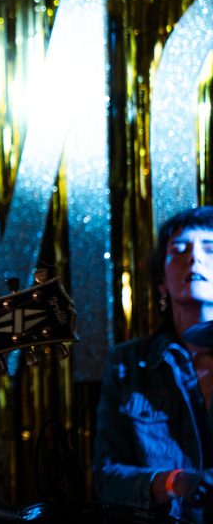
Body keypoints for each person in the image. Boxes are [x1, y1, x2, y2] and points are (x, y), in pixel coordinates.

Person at [94, 206, 213, 523]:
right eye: (180, 249)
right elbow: (106, 480)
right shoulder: (128, 364)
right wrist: (174, 483)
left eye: (210, 249)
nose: (195, 258)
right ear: (161, 281)